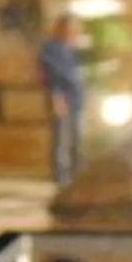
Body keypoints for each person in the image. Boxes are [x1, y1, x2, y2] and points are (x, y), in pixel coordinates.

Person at [36, 14, 86, 186]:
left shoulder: (72, 49)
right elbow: (52, 75)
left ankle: (75, 173)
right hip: (61, 97)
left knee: (76, 137)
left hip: (76, 99)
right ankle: (60, 175)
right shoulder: (50, 48)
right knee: (60, 138)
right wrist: (56, 97)